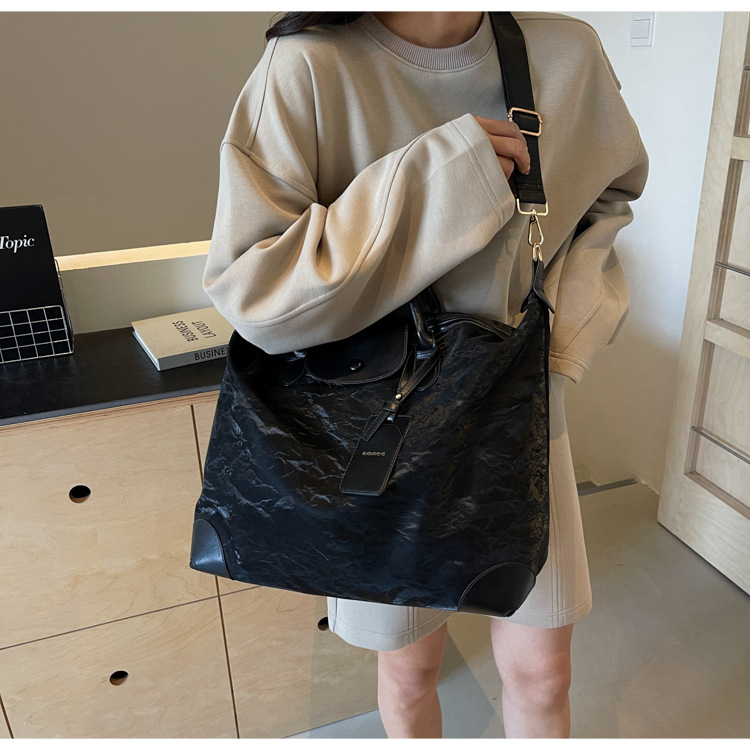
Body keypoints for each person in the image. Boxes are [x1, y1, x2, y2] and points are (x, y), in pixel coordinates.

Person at [202, 10, 648, 739]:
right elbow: (256, 290)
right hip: (377, 425)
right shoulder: (308, 65)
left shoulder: (566, 52)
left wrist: (562, 347)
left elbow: (609, 197)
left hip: (520, 407)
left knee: (543, 673)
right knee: (410, 672)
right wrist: (441, 175)